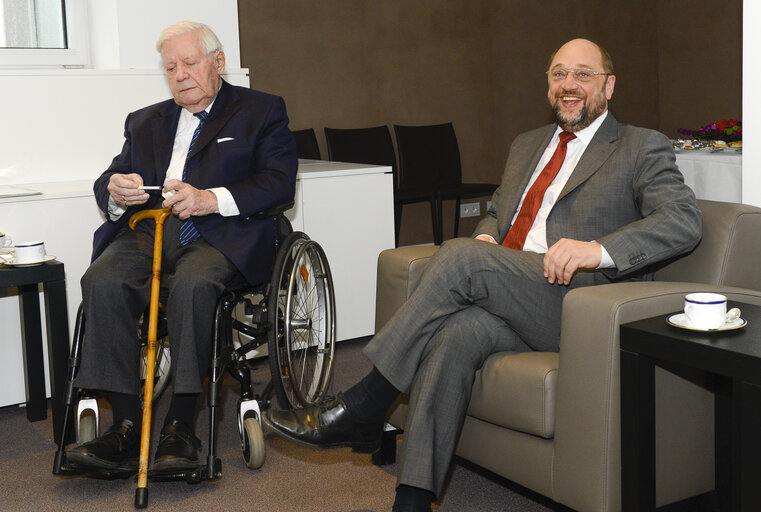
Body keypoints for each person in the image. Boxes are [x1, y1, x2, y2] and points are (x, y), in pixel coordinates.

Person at [264, 38, 702, 512]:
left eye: (583, 74)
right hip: (508, 289)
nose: (569, 85)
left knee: (459, 258)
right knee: (456, 332)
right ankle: (410, 502)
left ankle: (367, 403)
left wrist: (597, 250)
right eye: (559, 74)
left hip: (576, 303)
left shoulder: (640, 145)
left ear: (609, 86)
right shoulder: (527, 144)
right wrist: (489, 237)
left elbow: (682, 220)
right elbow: (498, 210)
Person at [67, 21, 297, 473]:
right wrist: (115, 191)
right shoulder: (145, 120)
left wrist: (210, 199)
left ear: (218, 61)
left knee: (193, 286)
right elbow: (107, 179)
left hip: (220, 232)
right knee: (102, 280)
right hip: (151, 229)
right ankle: (127, 428)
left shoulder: (261, 110)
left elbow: (278, 183)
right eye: (171, 67)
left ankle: (180, 424)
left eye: (189, 63)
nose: (180, 74)